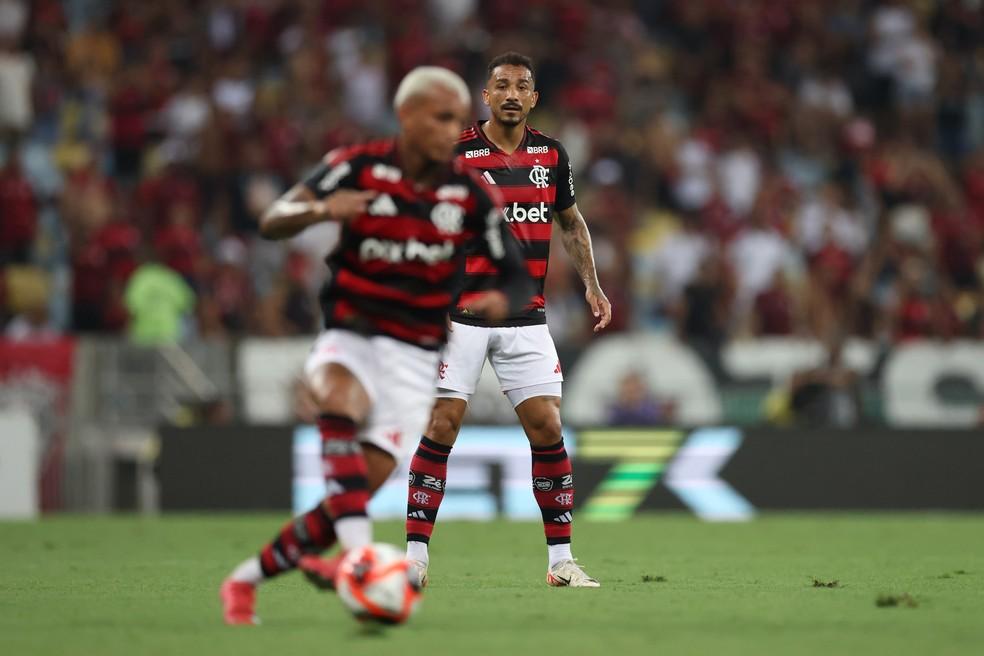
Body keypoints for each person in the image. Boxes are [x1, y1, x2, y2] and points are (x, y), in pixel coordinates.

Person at [219, 66, 533, 625]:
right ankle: (359, 557)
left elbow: (514, 274)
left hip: (415, 360)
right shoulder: (354, 166)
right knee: (338, 397)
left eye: (458, 120)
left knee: (348, 495)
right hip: (352, 335)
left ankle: (245, 580)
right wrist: (320, 210)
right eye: (441, 117)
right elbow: (272, 220)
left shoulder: (466, 193)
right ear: (406, 116)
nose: (452, 130)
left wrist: (497, 302)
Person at [403, 53, 611, 588]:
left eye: (522, 85)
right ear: (486, 97)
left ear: (534, 98)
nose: (512, 93)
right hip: (461, 317)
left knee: (548, 427)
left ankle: (561, 561)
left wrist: (591, 281)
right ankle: (415, 558)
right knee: (441, 426)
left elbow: (570, 221)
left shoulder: (551, 155)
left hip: (526, 318)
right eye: (502, 85)